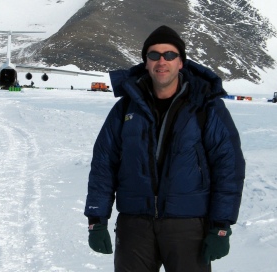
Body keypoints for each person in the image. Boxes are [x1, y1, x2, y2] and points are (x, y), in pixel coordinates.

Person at [84, 25, 245, 272]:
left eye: (169, 55)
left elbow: (228, 167)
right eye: (154, 55)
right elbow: (104, 164)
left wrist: (221, 225)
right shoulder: (126, 108)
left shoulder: (206, 107)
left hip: (189, 226)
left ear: (181, 62)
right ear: (146, 62)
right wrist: (96, 219)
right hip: (134, 225)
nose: (162, 61)